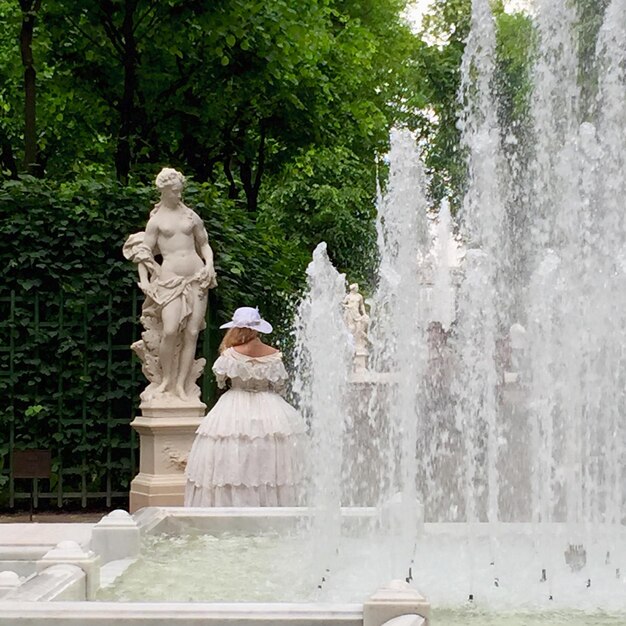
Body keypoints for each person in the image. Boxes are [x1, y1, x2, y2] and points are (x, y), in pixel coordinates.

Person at [184, 307, 306, 506]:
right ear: (257, 329)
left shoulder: (229, 355)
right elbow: (279, 385)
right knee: (272, 453)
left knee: (231, 453)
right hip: (271, 408)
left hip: (234, 406)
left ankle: (233, 504)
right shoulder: (274, 355)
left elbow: (221, 380)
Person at [123, 167, 217, 403]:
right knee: (171, 330)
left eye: (179, 190)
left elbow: (204, 243)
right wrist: (144, 280)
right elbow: (144, 252)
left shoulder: (190, 216)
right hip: (170, 278)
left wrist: (210, 264)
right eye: (174, 191)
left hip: (197, 276)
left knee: (192, 333)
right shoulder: (156, 221)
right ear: (164, 191)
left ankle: (181, 385)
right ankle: (166, 380)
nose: (178, 194)